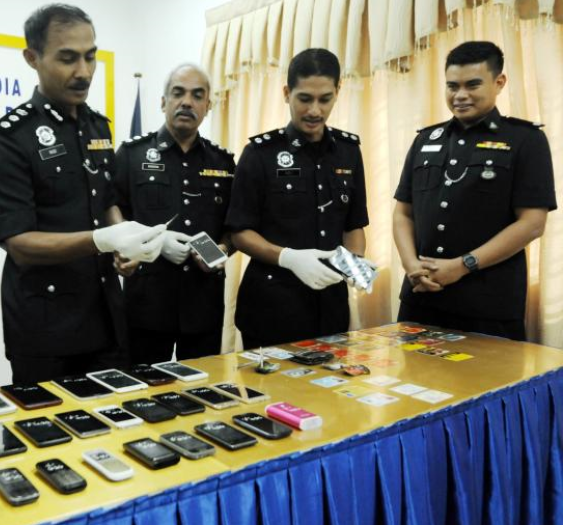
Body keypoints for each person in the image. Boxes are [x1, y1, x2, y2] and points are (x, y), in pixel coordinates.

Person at [0, 4, 164, 384]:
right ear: (32, 58)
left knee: (114, 416)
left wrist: (125, 243)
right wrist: (102, 240)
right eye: (68, 58)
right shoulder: (9, 138)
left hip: (106, 314)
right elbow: (20, 243)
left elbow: (106, 200)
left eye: (90, 56)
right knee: (50, 422)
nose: (83, 72)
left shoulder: (97, 126)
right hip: (46, 325)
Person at [392, 41, 556, 341]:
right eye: (452, 86)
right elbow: (403, 212)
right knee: (412, 372)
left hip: (488, 305)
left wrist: (462, 266)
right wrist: (410, 264)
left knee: (491, 374)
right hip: (421, 298)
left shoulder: (525, 139)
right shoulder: (427, 139)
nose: (460, 95)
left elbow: (532, 223)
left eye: (472, 85)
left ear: (499, 82)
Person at [226, 48, 369, 347]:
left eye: (325, 99)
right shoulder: (260, 154)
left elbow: (354, 225)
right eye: (305, 99)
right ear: (286, 93)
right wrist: (288, 257)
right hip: (272, 306)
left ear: (337, 92)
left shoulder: (348, 151)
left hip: (330, 306)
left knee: (330, 379)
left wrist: (353, 265)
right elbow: (240, 232)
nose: (315, 111)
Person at [113, 64, 235, 363]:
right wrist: (146, 242)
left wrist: (222, 250)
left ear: (208, 106)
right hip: (147, 302)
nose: (187, 102)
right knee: (142, 386)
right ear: (163, 101)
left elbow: (234, 225)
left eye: (197, 95)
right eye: (178, 93)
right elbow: (112, 211)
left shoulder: (223, 162)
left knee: (203, 385)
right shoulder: (132, 155)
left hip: (203, 303)